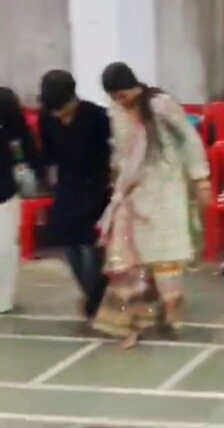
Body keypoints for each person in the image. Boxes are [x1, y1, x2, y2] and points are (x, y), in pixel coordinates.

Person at [91, 63, 212, 349]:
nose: (119, 101)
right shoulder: (117, 112)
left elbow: (190, 142)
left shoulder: (161, 106)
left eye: (122, 95)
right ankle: (132, 324)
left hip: (167, 192)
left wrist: (201, 180)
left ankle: (171, 312)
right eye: (114, 97)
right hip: (133, 193)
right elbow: (121, 152)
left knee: (166, 258)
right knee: (129, 263)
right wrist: (118, 180)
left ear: (133, 86)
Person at [37, 70, 112, 322]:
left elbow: (111, 156)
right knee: (68, 243)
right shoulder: (46, 118)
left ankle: (96, 302)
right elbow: (48, 155)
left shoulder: (97, 117)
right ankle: (93, 297)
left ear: (73, 98)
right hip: (67, 187)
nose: (59, 115)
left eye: (63, 110)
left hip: (96, 187)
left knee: (90, 249)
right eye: (54, 111)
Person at [0, 88, 39, 314]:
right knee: (6, 248)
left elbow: (28, 157)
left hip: (7, 195)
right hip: (8, 194)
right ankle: (4, 297)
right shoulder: (18, 130)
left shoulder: (16, 131)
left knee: (5, 248)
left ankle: (5, 297)